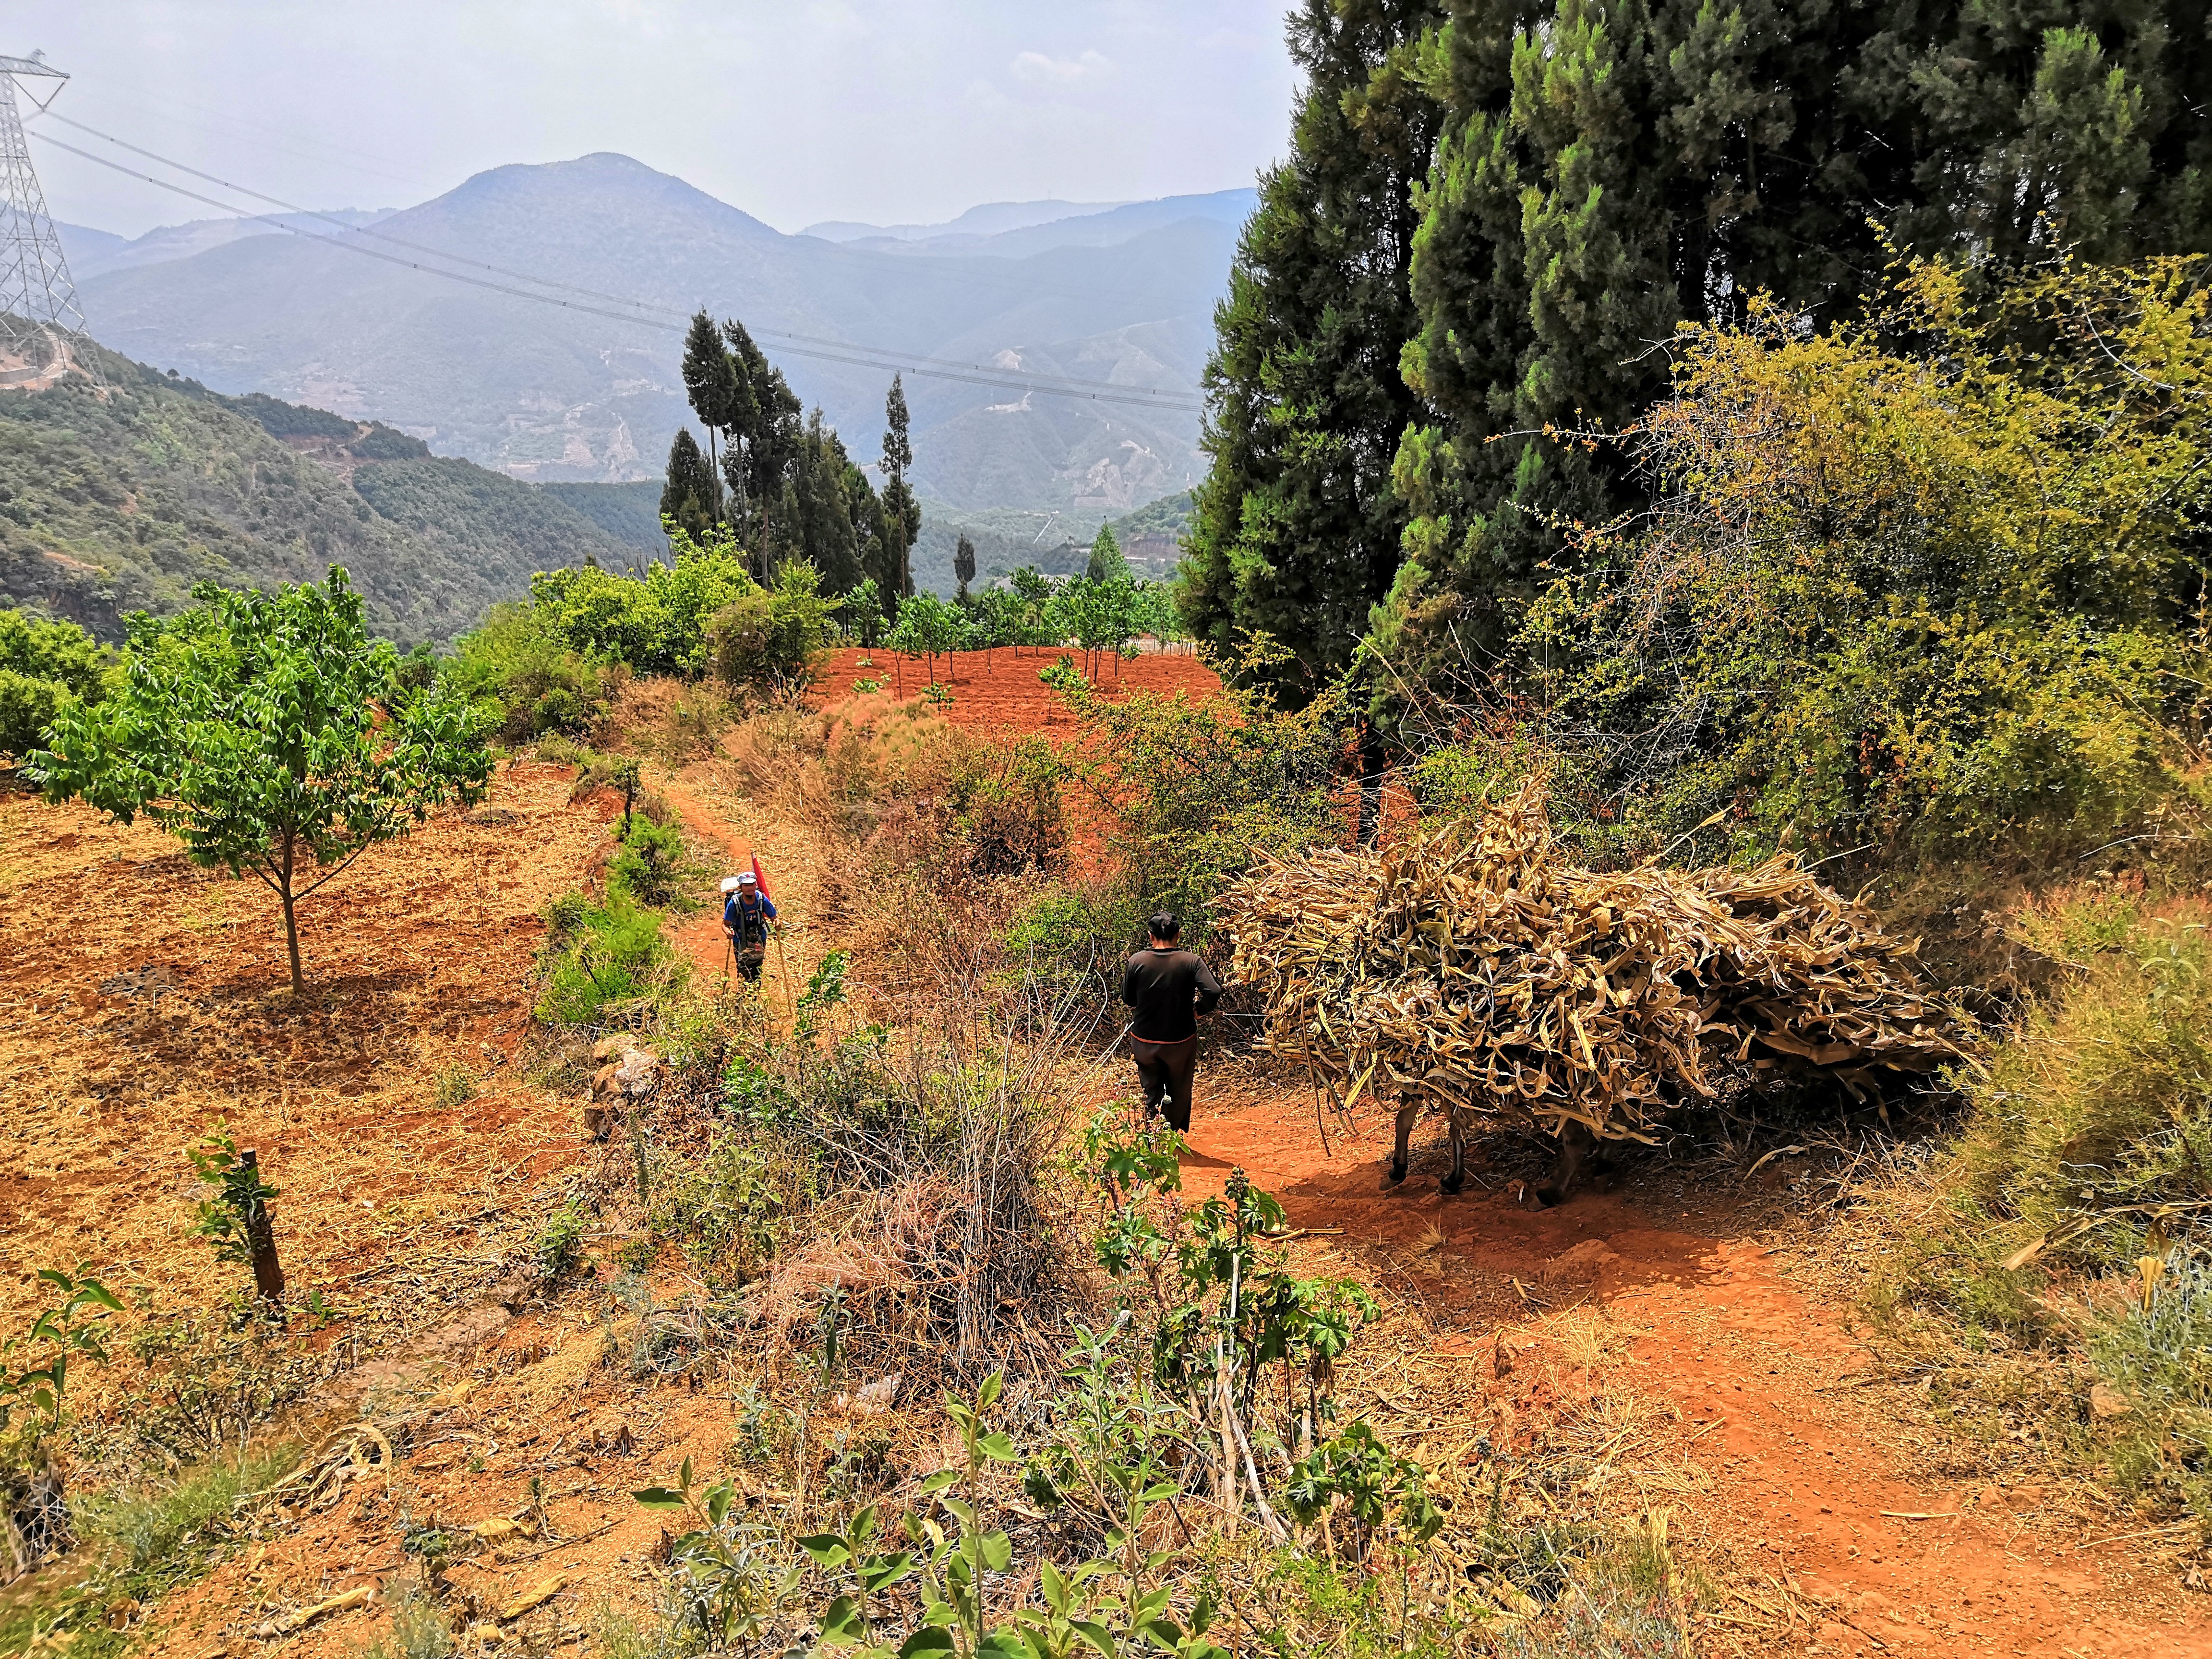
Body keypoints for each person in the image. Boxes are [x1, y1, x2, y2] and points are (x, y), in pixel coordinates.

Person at [1119, 910, 1221, 1134]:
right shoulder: (1190, 961)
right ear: (1179, 935)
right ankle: (1172, 1135)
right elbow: (1213, 991)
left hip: (1144, 1039)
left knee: (1151, 1089)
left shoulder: (1137, 961)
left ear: (1150, 936)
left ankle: (1153, 1138)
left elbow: (1128, 999)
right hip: (1180, 1041)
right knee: (1179, 1089)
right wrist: (1199, 1011)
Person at [722, 870, 777, 981]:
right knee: (743, 971)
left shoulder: (762, 899)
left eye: (752, 884)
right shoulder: (735, 903)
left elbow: (774, 917)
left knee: (757, 969)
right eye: (746, 885)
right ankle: (744, 994)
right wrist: (728, 932)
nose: (750, 888)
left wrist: (777, 923)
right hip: (740, 940)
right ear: (741, 887)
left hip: (759, 939)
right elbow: (725, 924)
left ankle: (756, 995)